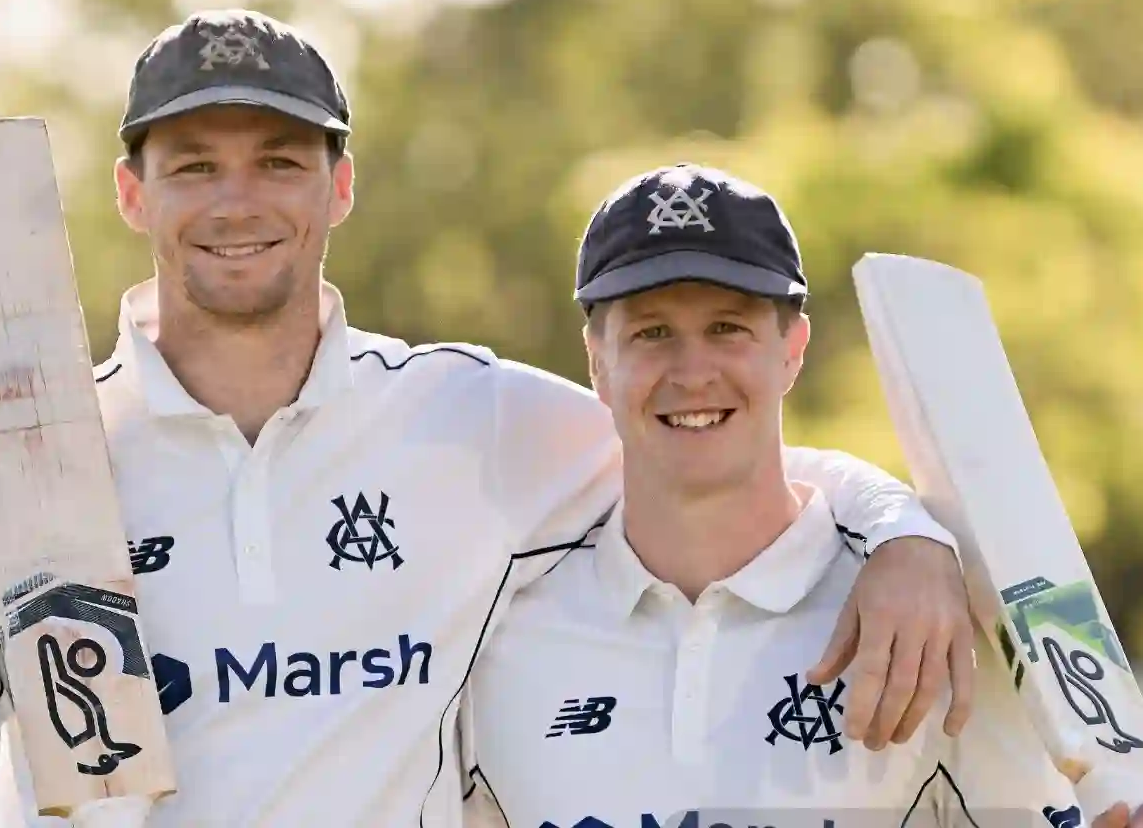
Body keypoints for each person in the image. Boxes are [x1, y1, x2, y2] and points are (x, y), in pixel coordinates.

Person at [0, 11, 971, 828]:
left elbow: (702, 441)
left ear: (338, 188)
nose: (238, 202)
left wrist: (902, 534)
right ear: (131, 194)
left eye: (279, 163)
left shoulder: (465, 420)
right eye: (195, 167)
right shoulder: (15, 470)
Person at [459, 164, 1139, 828]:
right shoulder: (502, 636)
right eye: (652, 332)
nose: (693, 373)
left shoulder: (925, 628)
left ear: (793, 349)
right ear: (597, 361)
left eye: (728, 328)